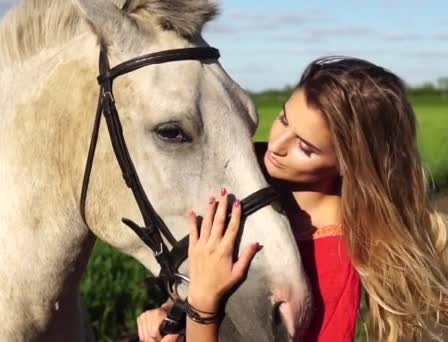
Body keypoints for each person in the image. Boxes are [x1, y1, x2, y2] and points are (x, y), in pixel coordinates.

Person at [136, 56, 448, 341]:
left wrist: (202, 310)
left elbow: (209, 298)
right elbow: (199, 271)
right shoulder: (246, 177)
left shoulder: (338, 263)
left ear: (349, 165)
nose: (276, 145)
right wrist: (171, 311)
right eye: (284, 119)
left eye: (306, 148)